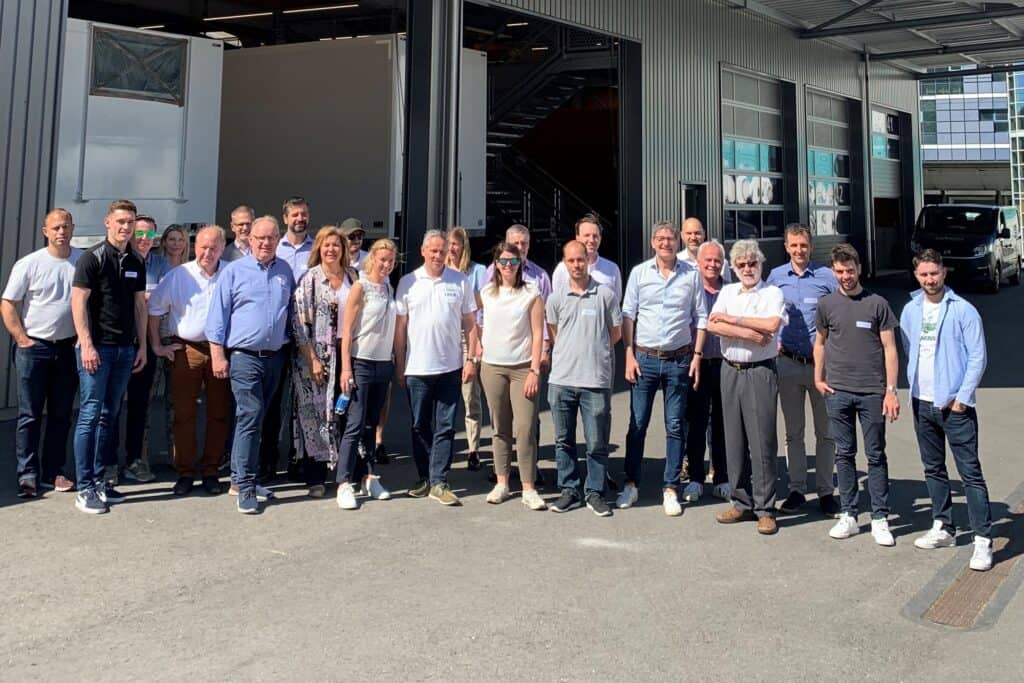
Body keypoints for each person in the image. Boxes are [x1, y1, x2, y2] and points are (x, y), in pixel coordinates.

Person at [901, 249, 993, 571]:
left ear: (944, 272)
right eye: (924, 274)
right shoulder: (911, 310)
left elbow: (977, 357)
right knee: (933, 468)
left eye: (934, 273)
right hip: (922, 402)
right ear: (917, 276)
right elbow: (909, 348)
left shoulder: (963, 311)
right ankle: (944, 527)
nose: (930, 279)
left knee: (970, 474)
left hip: (955, 406)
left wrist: (962, 398)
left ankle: (983, 540)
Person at [206, 215, 295, 514]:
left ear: (277, 239)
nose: (265, 243)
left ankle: (245, 476)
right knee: (249, 415)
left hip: (274, 358)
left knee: (261, 419)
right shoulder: (234, 272)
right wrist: (218, 355)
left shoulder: (285, 271)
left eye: (271, 238)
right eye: (260, 238)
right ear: (250, 239)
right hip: (244, 357)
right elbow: (217, 317)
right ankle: (243, 485)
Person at [814, 244, 900, 546]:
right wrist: (818, 378)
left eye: (849, 270)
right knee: (844, 454)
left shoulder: (877, 304)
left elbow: (890, 349)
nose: (845, 276)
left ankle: (879, 517)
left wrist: (891, 391)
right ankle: (849, 514)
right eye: (839, 271)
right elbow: (821, 343)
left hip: (872, 393)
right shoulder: (826, 305)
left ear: (859, 268)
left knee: (876, 456)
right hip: (838, 391)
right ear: (834, 272)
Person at [618, 220, 707, 516]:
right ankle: (631, 483)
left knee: (675, 426)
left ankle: (671, 488)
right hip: (644, 359)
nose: (666, 243)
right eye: (660, 238)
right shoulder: (639, 273)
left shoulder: (691, 276)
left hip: (679, 359)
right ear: (652, 242)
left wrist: (696, 356)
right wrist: (628, 354)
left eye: (670, 238)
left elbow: (701, 317)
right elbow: (628, 314)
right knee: (638, 424)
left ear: (676, 242)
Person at [70, 199, 148, 514]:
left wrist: (141, 345)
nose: (125, 227)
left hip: (125, 350)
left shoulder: (135, 261)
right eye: (120, 222)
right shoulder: (92, 259)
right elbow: (78, 304)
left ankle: (101, 481)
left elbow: (140, 306)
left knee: (108, 416)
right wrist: (86, 344)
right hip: (97, 349)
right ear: (108, 222)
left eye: (130, 222)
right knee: (89, 415)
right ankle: (84, 486)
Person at [394, 229, 479, 506]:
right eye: (433, 251)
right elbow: (400, 328)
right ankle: (425, 477)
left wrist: (471, 359)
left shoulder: (460, 281)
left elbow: (470, 323)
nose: (438, 255)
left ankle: (439, 481)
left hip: (450, 368)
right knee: (420, 426)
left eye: (442, 251)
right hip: (417, 368)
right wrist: (399, 363)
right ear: (423, 251)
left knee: (444, 427)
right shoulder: (408, 283)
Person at [708, 240, 787, 535]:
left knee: (762, 440)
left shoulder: (772, 292)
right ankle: (741, 502)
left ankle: (765, 508)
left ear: (761, 264)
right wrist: (747, 332)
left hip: (759, 372)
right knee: (734, 439)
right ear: (734, 267)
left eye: (752, 263)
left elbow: (770, 325)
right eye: (741, 264)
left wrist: (733, 319)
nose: (747, 268)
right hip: (730, 370)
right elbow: (713, 325)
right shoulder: (728, 291)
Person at [2, 208, 82, 497]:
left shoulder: (82, 261)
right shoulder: (29, 264)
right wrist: (22, 339)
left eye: (66, 226)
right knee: (30, 415)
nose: (62, 232)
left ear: (73, 229)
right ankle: (28, 474)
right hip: (34, 349)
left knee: (62, 414)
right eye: (56, 227)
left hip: (68, 348)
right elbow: (8, 303)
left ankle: (54, 472)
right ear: (45, 231)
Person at [148, 225, 230, 496]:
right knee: (184, 414)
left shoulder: (231, 273)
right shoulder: (179, 275)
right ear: (195, 247)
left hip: (221, 352)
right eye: (203, 247)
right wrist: (157, 345)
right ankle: (184, 472)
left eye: (214, 247)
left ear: (222, 247)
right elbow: (155, 308)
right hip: (188, 351)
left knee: (219, 414)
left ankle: (211, 470)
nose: (208, 253)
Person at [767, 224, 839, 517]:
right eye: (794, 245)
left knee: (826, 432)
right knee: (793, 433)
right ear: (786, 247)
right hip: (787, 365)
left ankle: (825, 492)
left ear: (811, 247)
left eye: (804, 245)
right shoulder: (775, 278)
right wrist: (775, 342)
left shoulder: (826, 277)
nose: (799, 250)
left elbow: (841, 312)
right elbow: (765, 312)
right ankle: (797, 489)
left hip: (821, 368)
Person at [547, 241, 622, 517]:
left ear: (588, 261)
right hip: (562, 380)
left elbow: (615, 333)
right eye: (571, 261)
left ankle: (595, 491)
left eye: (581, 260)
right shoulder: (555, 298)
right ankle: (569, 490)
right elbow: (554, 332)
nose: (577, 265)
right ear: (565, 263)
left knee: (596, 443)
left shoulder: (605, 294)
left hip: (595, 380)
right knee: (563, 441)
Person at [478, 242, 546, 510]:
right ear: (496, 264)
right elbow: (472, 320)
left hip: (522, 369)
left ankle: (528, 487)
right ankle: (502, 482)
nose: (508, 267)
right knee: (499, 428)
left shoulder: (531, 292)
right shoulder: (486, 292)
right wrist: (475, 348)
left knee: (525, 428)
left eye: (513, 262)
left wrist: (534, 370)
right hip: (492, 367)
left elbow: (538, 333)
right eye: (503, 262)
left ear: (520, 264)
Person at [291, 226, 358, 497]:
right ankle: (316, 477)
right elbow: (297, 324)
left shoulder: (353, 277)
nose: (331, 250)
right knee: (315, 416)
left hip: (348, 354)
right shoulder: (310, 280)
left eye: (336, 245)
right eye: (326, 245)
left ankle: (345, 474)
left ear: (343, 249)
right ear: (318, 249)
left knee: (346, 414)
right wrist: (313, 360)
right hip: (315, 359)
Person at [336, 238, 399, 510]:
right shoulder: (361, 288)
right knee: (354, 423)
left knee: (372, 424)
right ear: (372, 259)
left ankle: (369, 476)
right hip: (360, 362)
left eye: (391, 261)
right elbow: (347, 331)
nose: (386, 265)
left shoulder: (388, 287)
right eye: (382, 260)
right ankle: (343, 481)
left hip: (383, 363)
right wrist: (346, 367)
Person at [260, 196, 312, 481]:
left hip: (306, 334)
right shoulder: (272, 248)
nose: (300, 218)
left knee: (304, 401)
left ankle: (300, 457)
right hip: (278, 335)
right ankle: (268, 459)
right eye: (295, 214)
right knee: (273, 400)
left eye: (303, 214)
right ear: (285, 218)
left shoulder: (316, 249)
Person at [116, 215, 166, 484]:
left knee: (139, 404)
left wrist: (146, 298)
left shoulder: (161, 264)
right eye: (140, 234)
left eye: (150, 236)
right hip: (118, 341)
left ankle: (134, 459)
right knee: (110, 406)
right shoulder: (120, 260)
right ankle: (108, 461)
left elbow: (163, 300)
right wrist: (147, 297)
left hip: (145, 343)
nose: (144, 240)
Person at [680, 240, 730, 504]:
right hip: (695, 364)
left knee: (723, 423)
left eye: (717, 261)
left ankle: (721, 477)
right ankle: (696, 478)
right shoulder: (688, 289)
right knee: (696, 422)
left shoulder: (731, 292)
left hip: (724, 364)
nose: (712, 265)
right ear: (698, 263)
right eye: (707, 260)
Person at [446, 226, 488, 471]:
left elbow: (482, 309)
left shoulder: (478, 272)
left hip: (471, 339)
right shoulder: (441, 271)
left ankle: (473, 449)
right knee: (449, 397)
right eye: (449, 243)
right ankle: (447, 445)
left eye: (456, 244)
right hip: (447, 341)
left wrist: (479, 342)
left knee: (471, 396)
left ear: (464, 246)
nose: (452, 249)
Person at [551, 214, 622, 302]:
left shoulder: (612, 269)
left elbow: (616, 303)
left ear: (600, 238)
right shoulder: (562, 269)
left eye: (595, 236)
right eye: (587, 235)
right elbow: (557, 302)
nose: (591, 240)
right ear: (577, 237)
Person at [677, 217, 730, 282]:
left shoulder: (722, 263)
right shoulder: (676, 262)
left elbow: (728, 289)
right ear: (682, 236)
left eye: (697, 233)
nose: (693, 238)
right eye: (689, 233)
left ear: (704, 234)